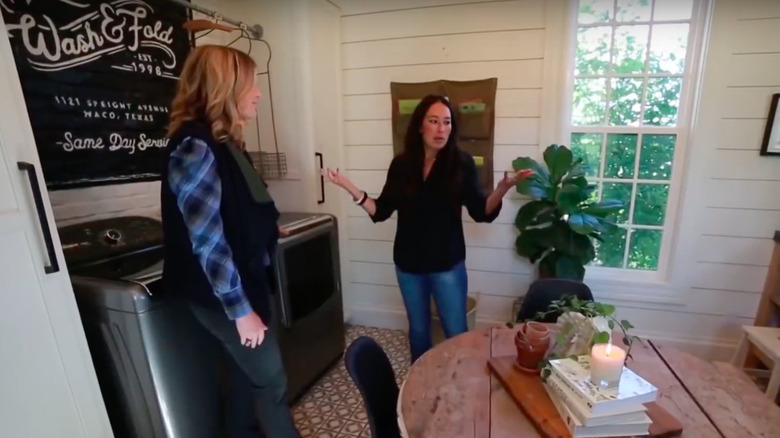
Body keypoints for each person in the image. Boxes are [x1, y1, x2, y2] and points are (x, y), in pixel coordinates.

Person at [324, 95, 532, 362]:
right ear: (420, 126)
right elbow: (381, 210)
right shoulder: (401, 165)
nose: (441, 129)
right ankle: (420, 391)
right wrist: (348, 186)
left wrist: (503, 187)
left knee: (456, 333)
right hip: (408, 265)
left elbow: (481, 211)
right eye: (434, 121)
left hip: (447, 265)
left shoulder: (461, 163)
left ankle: (460, 388)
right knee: (419, 332)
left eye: (446, 122)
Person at [161, 45, 299, 438]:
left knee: (244, 375)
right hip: (222, 295)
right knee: (271, 380)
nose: (257, 93)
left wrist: (269, 230)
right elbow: (207, 241)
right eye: (250, 85)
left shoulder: (225, 142)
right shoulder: (196, 147)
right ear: (225, 87)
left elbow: (240, 209)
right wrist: (241, 312)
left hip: (242, 281)